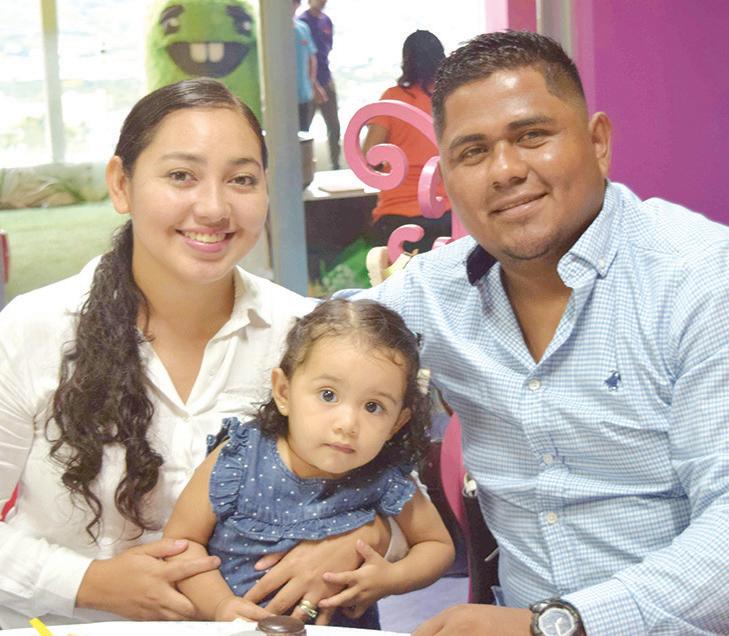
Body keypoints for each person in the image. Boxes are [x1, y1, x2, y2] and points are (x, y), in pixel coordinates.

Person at [355, 31, 729, 635]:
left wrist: (555, 625)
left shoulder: (700, 279)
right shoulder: (435, 295)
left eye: (532, 135)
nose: (506, 170)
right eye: (473, 152)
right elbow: (301, 355)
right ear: (446, 178)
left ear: (598, 143)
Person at [0, 78, 395, 629]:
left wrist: (363, 535)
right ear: (121, 184)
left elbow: (402, 502)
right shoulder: (32, 329)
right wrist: (87, 582)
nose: (213, 207)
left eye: (241, 179)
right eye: (181, 175)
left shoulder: (305, 333)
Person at [164, 298, 454, 626]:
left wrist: (390, 578)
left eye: (373, 406)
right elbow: (181, 543)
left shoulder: (384, 476)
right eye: (328, 395)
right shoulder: (239, 458)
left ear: (397, 423)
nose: (347, 424)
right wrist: (219, 605)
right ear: (283, 392)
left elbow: (436, 546)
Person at [362, 30, 451, 254]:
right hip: (445, 214)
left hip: (396, 215)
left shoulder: (393, 99)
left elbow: (369, 157)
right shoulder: (449, 100)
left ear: (407, 61)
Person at [299, 0, 341, 169]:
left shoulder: (326, 21)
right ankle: (305, 169)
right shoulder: (302, 23)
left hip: (326, 79)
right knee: (303, 130)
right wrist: (314, 85)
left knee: (334, 126)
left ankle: (336, 165)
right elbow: (305, 59)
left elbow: (326, 50)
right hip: (308, 85)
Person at [292, 0, 324, 132]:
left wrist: (313, 85)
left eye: (294, 2)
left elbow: (311, 58)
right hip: (283, 94)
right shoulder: (273, 32)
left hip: (304, 93)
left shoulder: (302, 28)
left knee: (304, 133)